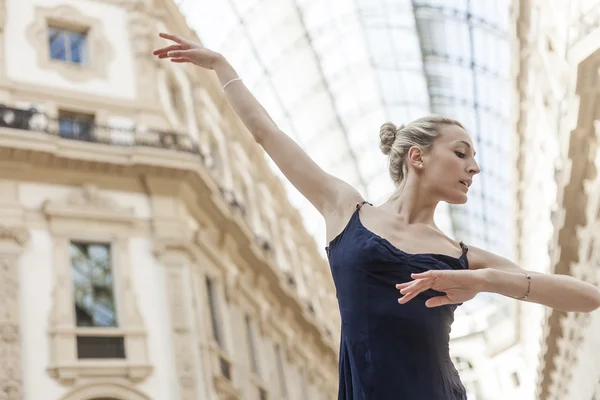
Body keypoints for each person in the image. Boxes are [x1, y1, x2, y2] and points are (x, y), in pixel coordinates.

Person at [153, 33, 600, 400]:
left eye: (475, 158)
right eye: (461, 153)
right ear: (417, 157)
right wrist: (223, 68)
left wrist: (481, 280)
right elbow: (266, 134)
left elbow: (587, 297)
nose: (475, 167)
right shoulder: (345, 209)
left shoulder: (461, 255)